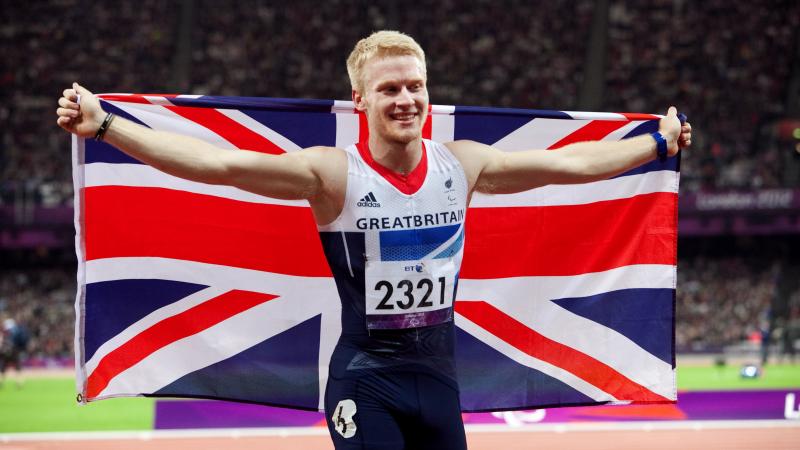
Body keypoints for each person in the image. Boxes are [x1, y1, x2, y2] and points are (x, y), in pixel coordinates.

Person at [56, 30, 691, 450]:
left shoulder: (462, 165)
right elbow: (214, 165)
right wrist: (107, 125)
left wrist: (658, 144)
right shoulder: (331, 175)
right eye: (390, 88)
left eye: (415, 85)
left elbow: (573, 167)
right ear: (360, 99)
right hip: (365, 379)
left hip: (440, 380)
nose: (406, 99)